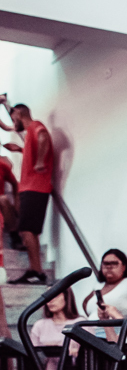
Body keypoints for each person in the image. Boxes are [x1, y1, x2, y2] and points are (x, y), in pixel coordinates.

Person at [0, 98, 54, 283]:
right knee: (28, 229)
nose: (12, 123)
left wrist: (39, 160)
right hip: (30, 187)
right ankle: (35, 269)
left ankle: (37, 271)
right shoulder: (29, 131)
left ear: (19, 114)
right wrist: (20, 150)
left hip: (35, 187)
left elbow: (43, 137)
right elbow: (12, 128)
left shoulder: (36, 126)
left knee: (27, 229)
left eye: (13, 117)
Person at [30, 288, 80, 370]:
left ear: (67, 297)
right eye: (48, 296)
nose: (50, 300)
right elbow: (33, 356)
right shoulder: (39, 325)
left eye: (55, 296)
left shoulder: (80, 323)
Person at [82, 249, 127, 321]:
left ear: (124, 266)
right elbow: (85, 303)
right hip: (92, 329)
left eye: (114, 263)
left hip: (119, 330)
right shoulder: (98, 285)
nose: (109, 267)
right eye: (106, 263)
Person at [0, 153, 19, 244]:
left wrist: (16, 201)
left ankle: (14, 236)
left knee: (3, 199)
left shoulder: (2, 165)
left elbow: (15, 183)